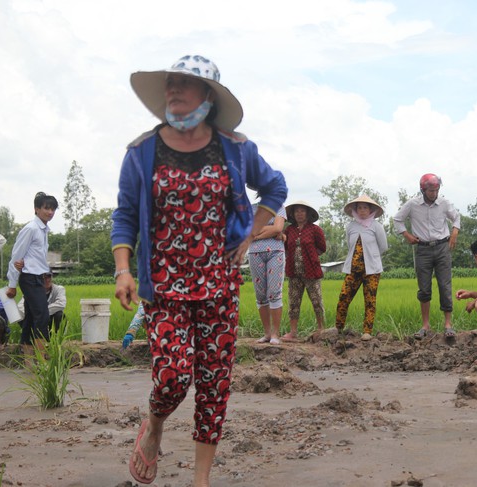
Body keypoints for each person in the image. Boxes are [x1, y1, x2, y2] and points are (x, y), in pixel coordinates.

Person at [111, 54, 287, 486]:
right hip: (165, 286)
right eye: (170, 83)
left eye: (183, 84)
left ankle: (200, 480)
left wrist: (249, 236)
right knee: (172, 377)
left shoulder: (236, 148)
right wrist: (123, 269)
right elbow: (126, 215)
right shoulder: (141, 152)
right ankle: (154, 425)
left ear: (207, 96)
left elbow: (275, 187)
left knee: (213, 382)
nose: (173, 89)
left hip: (219, 284)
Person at [393, 173, 461, 339]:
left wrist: (454, 232)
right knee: (424, 288)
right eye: (431, 190)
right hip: (422, 249)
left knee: (445, 285)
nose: (434, 193)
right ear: (423, 189)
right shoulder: (413, 204)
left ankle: (448, 324)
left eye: (436, 190)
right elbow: (397, 220)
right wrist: (407, 235)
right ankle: (425, 325)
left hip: (442, 247)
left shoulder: (444, 203)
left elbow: (456, 217)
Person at [6, 192, 58, 355]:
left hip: (38, 277)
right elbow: (16, 256)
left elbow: (33, 257)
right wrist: (12, 285)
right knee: (42, 316)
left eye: (53, 209)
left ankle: (28, 359)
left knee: (29, 318)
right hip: (29, 278)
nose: (50, 212)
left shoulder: (43, 230)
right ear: (36, 209)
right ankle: (42, 358)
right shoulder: (31, 229)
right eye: (46, 208)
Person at [335, 195, 388, 341]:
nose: (362, 210)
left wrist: (371, 257)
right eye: (360, 208)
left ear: (371, 210)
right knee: (344, 297)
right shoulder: (351, 226)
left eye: (365, 207)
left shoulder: (376, 226)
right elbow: (348, 244)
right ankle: (338, 328)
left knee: (370, 300)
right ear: (355, 210)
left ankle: (367, 331)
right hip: (353, 269)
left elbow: (383, 247)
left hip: (372, 270)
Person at [282, 200, 326, 341]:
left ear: (307, 214)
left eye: (302, 211)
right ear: (293, 215)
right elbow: (285, 248)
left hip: (311, 271)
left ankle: (321, 329)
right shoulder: (288, 230)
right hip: (293, 271)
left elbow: (322, 248)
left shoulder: (315, 230)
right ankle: (293, 332)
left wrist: (310, 256)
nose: (299, 214)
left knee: (316, 300)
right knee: (293, 302)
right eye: (297, 211)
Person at [248, 203, 287, 345]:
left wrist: (257, 235)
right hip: (254, 252)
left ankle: (276, 334)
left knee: (274, 292)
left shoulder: (279, 206)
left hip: (275, 252)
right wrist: (271, 231)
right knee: (260, 294)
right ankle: (267, 333)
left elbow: (278, 228)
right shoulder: (250, 208)